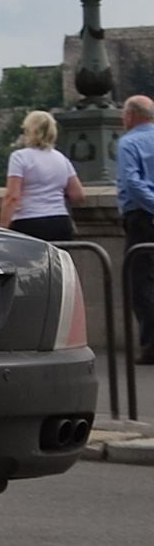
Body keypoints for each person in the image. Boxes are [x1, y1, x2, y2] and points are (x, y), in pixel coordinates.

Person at [0, 111, 84, 242]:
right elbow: (77, 195)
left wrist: (3, 228)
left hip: (28, 221)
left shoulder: (19, 157)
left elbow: (12, 197)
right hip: (60, 220)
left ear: (29, 131)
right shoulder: (61, 158)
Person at [117, 95, 154, 365]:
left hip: (142, 219)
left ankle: (151, 345)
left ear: (131, 115)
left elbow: (132, 182)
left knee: (141, 283)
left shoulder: (129, 142)